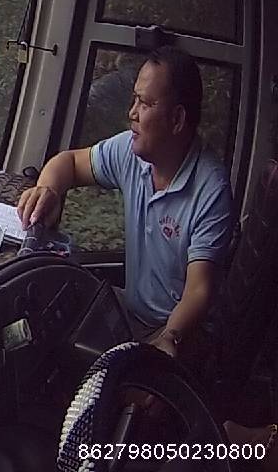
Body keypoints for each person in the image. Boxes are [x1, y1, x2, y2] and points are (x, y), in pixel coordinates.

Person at [16, 46, 233, 361]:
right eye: (134, 100)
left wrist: (168, 338)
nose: (132, 112)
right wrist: (47, 189)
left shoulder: (211, 190)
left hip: (180, 334)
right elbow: (69, 162)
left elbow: (199, 289)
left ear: (177, 119)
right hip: (130, 312)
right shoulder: (131, 152)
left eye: (145, 103)